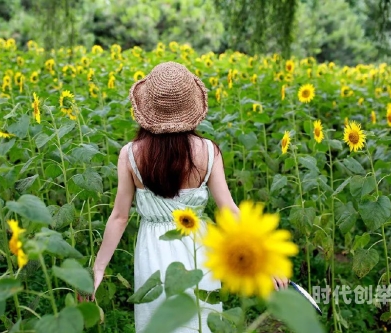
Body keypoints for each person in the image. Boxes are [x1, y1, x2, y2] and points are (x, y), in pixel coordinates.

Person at [89, 61, 288, 332]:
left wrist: (98, 269)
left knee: (157, 322)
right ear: (191, 108)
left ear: (148, 107)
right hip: (199, 251)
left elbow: (120, 217)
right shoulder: (208, 151)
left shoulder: (131, 154)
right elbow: (228, 209)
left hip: (152, 251)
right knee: (199, 320)